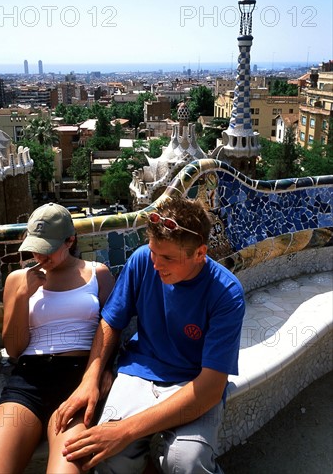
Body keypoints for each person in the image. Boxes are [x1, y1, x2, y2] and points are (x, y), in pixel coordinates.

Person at [56, 195, 246, 474]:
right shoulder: (143, 260)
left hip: (192, 382)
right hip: (140, 370)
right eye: (153, 252)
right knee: (108, 459)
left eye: (168, 257)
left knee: (186, 462)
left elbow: (210, 388)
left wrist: (124, 431)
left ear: (200, 254)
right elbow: (111, 321)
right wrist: (90, 378)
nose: (156, 264)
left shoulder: (226, 294)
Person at [0, 203, 115, 474]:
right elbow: (15, 349)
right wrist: (21, 297)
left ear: (70, 240)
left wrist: (105, 371)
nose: (39, 255)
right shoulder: (18, 279)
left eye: (47, 247)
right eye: (34, 246)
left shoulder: (97, 274)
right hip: (29, 379)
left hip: (77, 380)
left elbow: (112, 330)